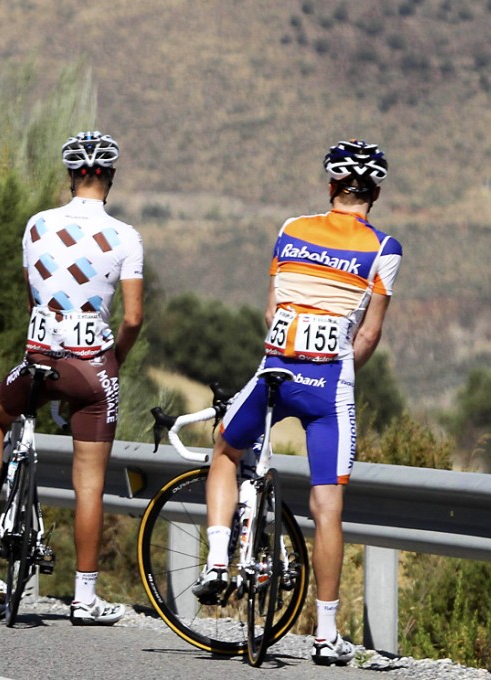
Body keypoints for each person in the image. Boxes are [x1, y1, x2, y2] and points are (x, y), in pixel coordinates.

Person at [193, 140, 402, 665]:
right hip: (329, 385)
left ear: (332, 188)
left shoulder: (290, 228)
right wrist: (337, 365)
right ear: (373, 193)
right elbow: (370, 336)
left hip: (275, 371)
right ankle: (327, 636)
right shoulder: (384, 248)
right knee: (327, 507)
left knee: (225, 450)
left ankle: (218, 560)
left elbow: (271, 312)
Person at [0, 131, 144, 626]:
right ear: (108, 179)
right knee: (89, 486)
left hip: (39, 358)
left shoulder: (37, 225)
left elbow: (32, 297)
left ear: (70, 178)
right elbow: (131, 319)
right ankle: (85, 599)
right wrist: (112, 365)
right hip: (92, 368)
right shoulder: (125, 236)